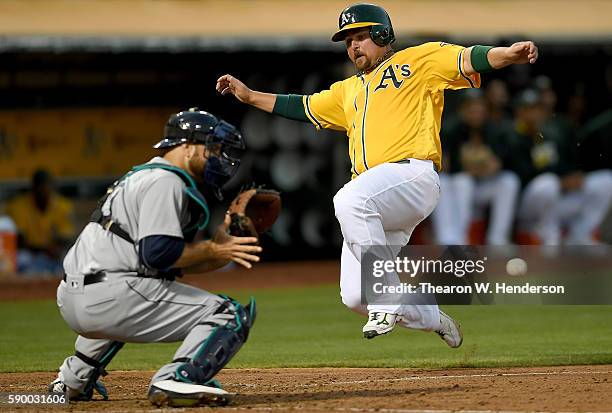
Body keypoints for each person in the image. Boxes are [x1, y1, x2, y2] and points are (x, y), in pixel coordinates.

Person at [216, 3, 538, 342]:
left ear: (383, 34)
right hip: (379, 201)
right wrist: (250, 96)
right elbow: (303, 105)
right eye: (348, 40)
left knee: (349, 199)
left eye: (361, 36)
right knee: (355, 297)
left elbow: (469, 58)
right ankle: (430, 315)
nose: (354, 45)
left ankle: (387, 298)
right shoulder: (347, 90)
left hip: (412, 176)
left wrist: (508, 54)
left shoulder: (416, 61)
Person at [48, 109, 261, 407]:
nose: (218, 158)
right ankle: (178, 378)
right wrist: (214, 249)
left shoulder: (143, 174)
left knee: (137, 292)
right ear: (187, 146)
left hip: (76, 296)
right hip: (110, 295)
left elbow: (168, 262)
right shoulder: (166, 182)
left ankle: (72, 381)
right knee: (230, 314)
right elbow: (159, 254)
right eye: (211, 149)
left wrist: (219, 249)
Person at [506, 90, 612, 245]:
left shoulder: (549, 135)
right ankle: (547, 235)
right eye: (528, 109)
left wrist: (573, 176)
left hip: (555, 199)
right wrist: (560, 180)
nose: (534, 114)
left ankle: (581, 234)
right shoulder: (512, 137)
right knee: (547, 183)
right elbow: (522, 174)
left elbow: (563, 164)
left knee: (606, 180)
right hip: (527, 207)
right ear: (519, 112)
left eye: (537, 109)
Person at [433, 91, 519, 245]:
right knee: (459, 181)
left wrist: (480, 167)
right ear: (462, 110)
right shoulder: (452, 129)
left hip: (482, 187)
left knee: (509, 181)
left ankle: (497, 239)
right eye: (471, 107)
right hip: (456, 190)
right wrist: (475, 168)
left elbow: (499, 164)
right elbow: (447, 166)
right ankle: (454, 240)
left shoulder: (493, 130)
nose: (476, 112)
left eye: (479, 107)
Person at [4, 169, 76, 274]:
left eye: (48, 188)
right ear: (33, 189)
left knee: (71, 259)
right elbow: (19, 241)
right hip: (30, 254)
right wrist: (44, 250)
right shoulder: (18, 206)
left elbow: (66, 237)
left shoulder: (63, 206)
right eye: (41, 188)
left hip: (54, 256)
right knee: (22, 258)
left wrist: (56, 248)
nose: (45, 192)